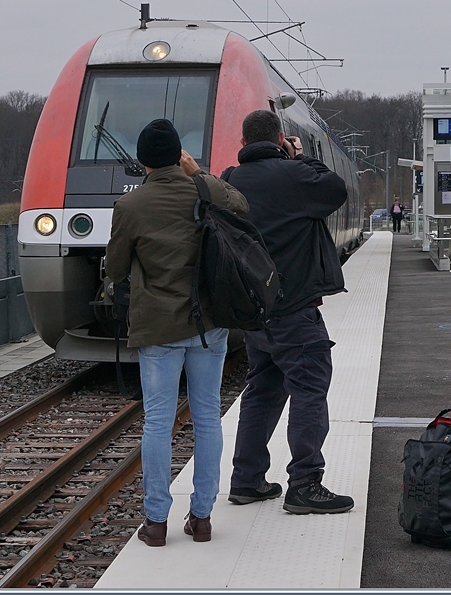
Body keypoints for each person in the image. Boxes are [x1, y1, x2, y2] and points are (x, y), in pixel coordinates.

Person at [105, 118, 249, 547]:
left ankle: (155, 522)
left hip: (157, 328)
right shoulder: (201, 191)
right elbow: (241, 204)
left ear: (141, 161)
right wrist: (199, 172)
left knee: (158, 422)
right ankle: (202, 517)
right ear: (178, 156)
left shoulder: (130, 206)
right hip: (208, 326)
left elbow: (115, 269)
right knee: (207, 416)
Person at [223, 109, 354, 514]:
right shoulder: (295, 175)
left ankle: (247, 480)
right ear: (280, 139)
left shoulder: (230, 179)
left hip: (254, 311)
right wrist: (299, 157)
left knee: (262, 390)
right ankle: (305, 483)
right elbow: (336, 189)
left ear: (243, 143)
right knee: (310, 387)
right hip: (295, 307)